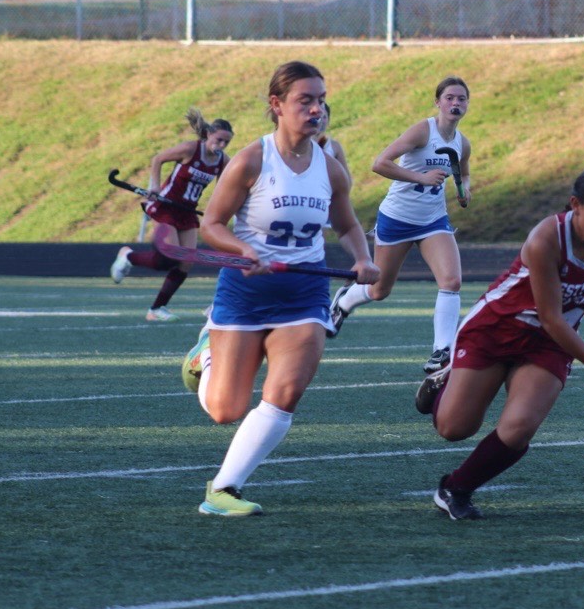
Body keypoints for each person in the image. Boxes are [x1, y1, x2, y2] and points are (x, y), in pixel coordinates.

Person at [181, 60, 380, 516]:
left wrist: (363, 259)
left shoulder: (330, 169)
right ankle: (205, 352)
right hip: (246, 291)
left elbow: (346, 224)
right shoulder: (252, 159)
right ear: (277, 105)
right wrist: (244, 251)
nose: (317, 109)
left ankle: (223, 490)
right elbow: (212, 224)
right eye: (305, 101)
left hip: (303, 293)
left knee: (286, 391)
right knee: (224, 410)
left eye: (321, 100)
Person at [414, 164, 584, 520]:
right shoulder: (546, 239)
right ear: (575, 205)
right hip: (496, 329)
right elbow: (552, 318)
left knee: (519, 427)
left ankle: (456, 488)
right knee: (453, 428)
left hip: (549, 344)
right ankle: (443, 380)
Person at [329, 76, 473, 374]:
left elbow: (464, 173)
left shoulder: (462, 143)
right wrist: (421, 177)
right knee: (380, 290)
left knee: (452, 282)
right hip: (398, 217)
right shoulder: (423, 130)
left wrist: (464, 189)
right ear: (438, 102)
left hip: (434, 220)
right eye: (449, 98)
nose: (455, 103)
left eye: (461, 99)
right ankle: (344, 301)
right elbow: (379, 163)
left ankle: (441, 352)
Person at [110, 109, 234, 322]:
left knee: (186, 262)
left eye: (226, 143)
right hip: (166, 207)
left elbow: (224, 187)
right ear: (209, 135)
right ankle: (127, 256)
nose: (221, 146)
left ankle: (156, 309)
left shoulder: (222, 161)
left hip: (186, 212)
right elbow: (158, 159)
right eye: (219, 140)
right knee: (170, 256)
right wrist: (155, 186)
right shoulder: (190, 149)